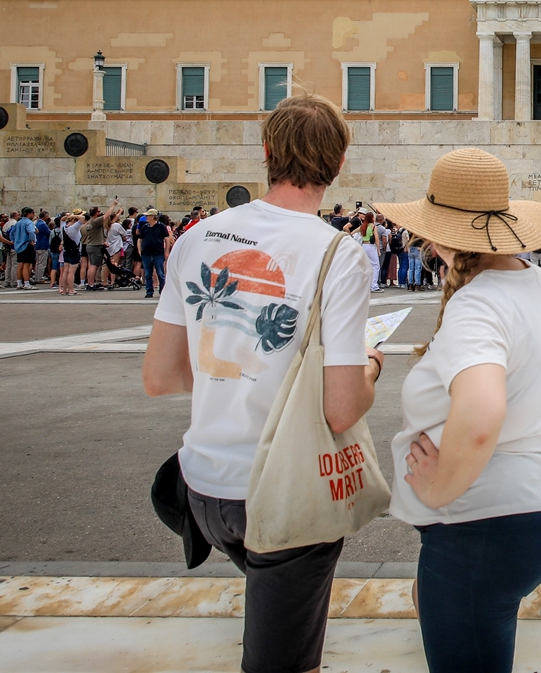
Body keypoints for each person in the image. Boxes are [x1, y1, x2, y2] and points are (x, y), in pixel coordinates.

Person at [143, 94, 383, 673]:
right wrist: (372, 364)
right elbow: (342, 407)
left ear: (268, 151)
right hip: (280, 490)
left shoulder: (198, 237)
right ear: (341, 162)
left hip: (201, 488)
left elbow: (161, 376)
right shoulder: (338, 254)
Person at [373, 147, 541, 673]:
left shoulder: (476, 306)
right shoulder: (536, 282)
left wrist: (437, 489)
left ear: (441, 235)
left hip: (481, 525)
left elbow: (480, 414)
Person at [135, 208, 170, 298]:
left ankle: (163, 290)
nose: (146, 217)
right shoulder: (145, 227)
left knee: (160, 273)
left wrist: (166, 251)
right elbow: (140, 239)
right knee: (147, 274)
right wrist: (139, 249)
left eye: (148, 216)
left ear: (153, 217)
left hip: (158, 253)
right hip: (146, 253)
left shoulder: (161, 226)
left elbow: (167, 238)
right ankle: (149, 291)